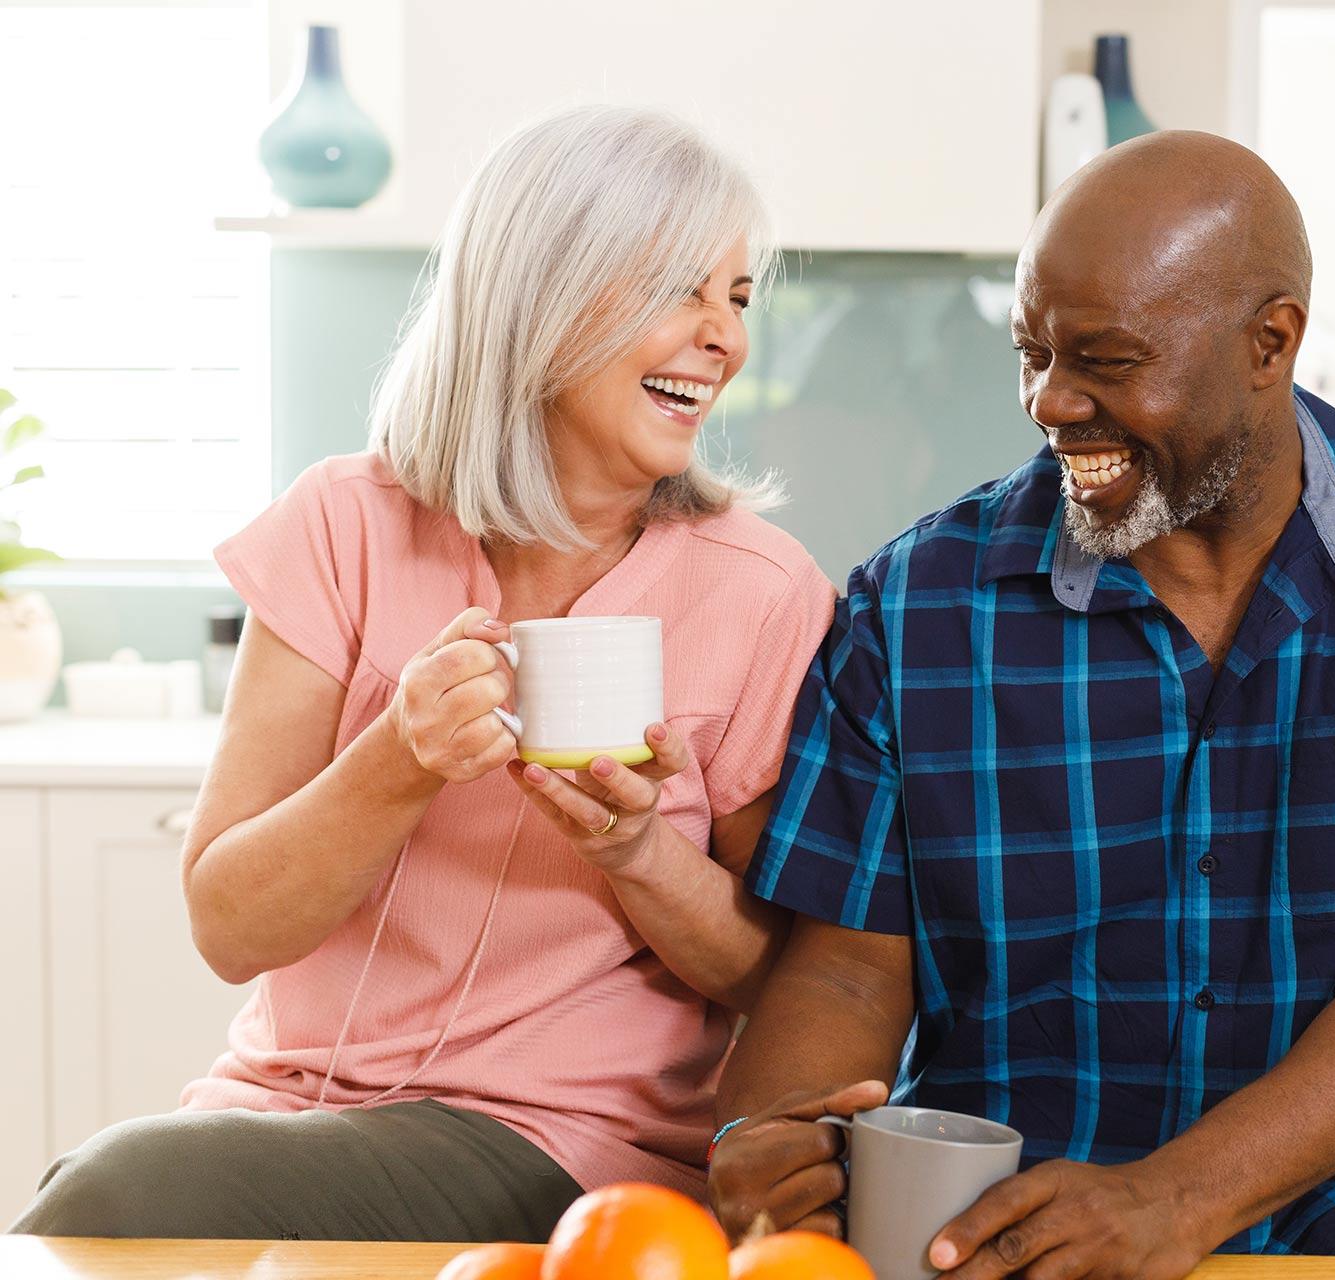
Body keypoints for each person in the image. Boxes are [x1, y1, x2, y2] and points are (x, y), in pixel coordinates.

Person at [707, 131, 1335, 1266]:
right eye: (1030, 350)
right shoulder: (917, 601)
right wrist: (769, 1133)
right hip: (975, 1222)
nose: (1050, 400)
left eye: (1108, 359)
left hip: (1313, 1209)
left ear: (1269, 342)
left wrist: (1172, 1202)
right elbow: (845, 964)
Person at [11, 106, 835, 1242]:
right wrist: (398, 758)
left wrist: (638, 851)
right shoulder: (342, 526)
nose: (723, 337)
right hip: (278, 1108)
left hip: (567, 1142)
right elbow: (229, 926)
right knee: (131, 1201)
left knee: (116, 1190)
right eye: (675, 290)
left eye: (735, 299)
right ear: (540, 295)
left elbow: (779, 978)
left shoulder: (760, 589)